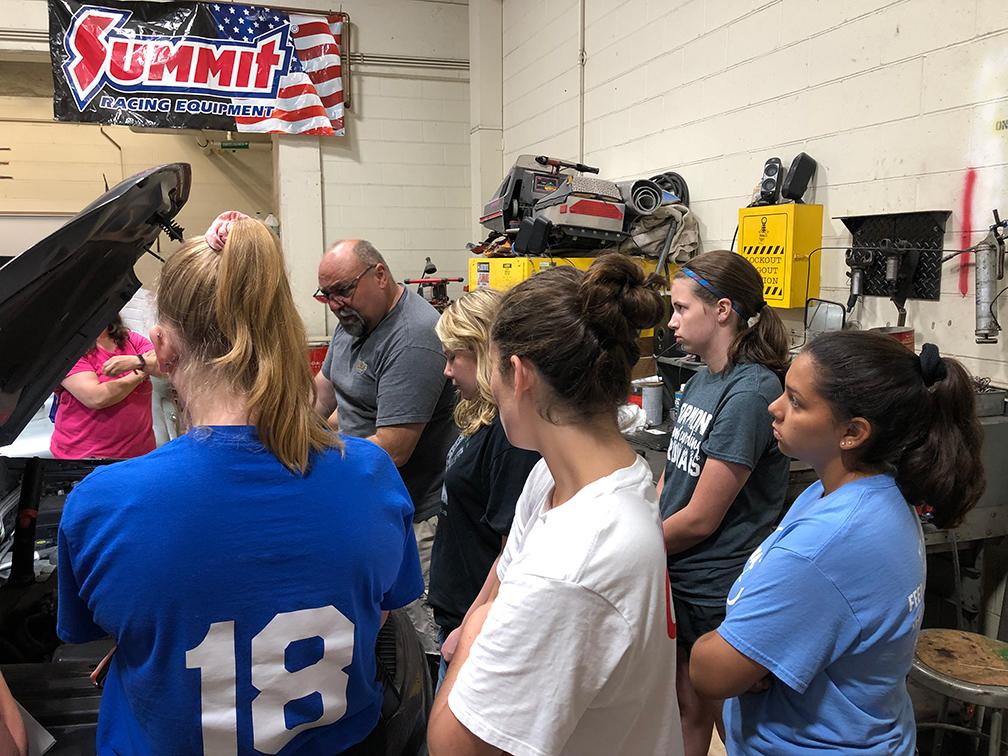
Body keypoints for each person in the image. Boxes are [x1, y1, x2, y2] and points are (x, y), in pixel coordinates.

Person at [57, 218, 424, 753]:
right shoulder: (370, 474)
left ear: (161, 347)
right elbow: (376, 609)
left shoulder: (105, 501)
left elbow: (98, 629)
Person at [428, 255, 685, 756]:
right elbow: (508, 562)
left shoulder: (574, 563)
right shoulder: (560, 474)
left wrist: (477, 626)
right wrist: (483, 616)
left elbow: (451, 746)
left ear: (519, 375)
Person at [690, 331, 985, 754]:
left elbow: (710, 674)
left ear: (852, 432)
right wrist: (760, 653)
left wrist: (726, 648)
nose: (774, 408)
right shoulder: (858, 491)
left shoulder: (828, 544)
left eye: (795, 401)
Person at [657, 249, 791, 756]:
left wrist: (630, 546)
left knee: (731, 724)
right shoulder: (702, 379)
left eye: (681, 308)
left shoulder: (751, 392)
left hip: (717, 589)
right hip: (680, 579)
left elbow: (700, 518)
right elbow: (673, 479)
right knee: (686, 706)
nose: (672, 322)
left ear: (722, 310)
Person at [312, 236, 458, 662]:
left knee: (424, 637)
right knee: (379, 628)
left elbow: (392, 449)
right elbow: (326, 397)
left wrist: (313, 463)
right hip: (362, 499)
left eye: (343, 290)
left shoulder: (412, 336)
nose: (336, 304)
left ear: (380, 275)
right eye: (327, 295)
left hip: (412, 517)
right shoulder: (355, 320)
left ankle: (431, 718)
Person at [428, 289, 540, 685]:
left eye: (451, 358)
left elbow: (513, 550)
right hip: (456, 611)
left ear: (480, 351)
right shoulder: (479, 417)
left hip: (475, 623)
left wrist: (471, 626)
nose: (446, 372)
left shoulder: (509, 438)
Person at [50, 314, 161, 459]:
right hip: (87, 458)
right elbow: (96, 397)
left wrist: (137, 362)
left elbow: (164, 367)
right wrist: (141, 371)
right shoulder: (68, 349)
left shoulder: (131, 339)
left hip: (139, 454)